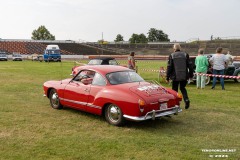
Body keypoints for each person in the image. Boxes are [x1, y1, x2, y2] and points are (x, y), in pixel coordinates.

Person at [166, 43, 193, 109]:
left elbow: (169, 67)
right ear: (180, 48)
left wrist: (167, 76)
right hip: (184, 76)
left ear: (174, 49)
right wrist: (190, 75)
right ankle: (186, 100)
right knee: (183, 88)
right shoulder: (185, 55)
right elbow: (190, 66)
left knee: (175, 90)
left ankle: (176, 104)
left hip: (175, 76)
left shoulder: (171, 55)